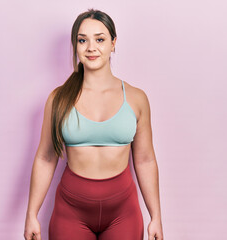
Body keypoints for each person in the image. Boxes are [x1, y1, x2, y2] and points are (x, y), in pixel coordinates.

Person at [24, 8, 164, 240]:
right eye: (82, 40)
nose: (91, 47)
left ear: (113, 43)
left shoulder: (137, 98)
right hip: (71, 211)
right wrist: (31, 214)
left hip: (123, 212)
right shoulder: (59, 98)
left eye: (100, 39)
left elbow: (145, 159)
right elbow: (45, 158)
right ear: (75, 45)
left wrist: (156, 216)